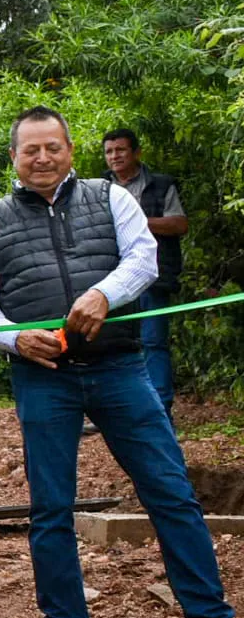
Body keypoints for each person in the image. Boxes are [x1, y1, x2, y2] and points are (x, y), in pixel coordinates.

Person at [0, 106, 244, 618]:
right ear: (13, 158)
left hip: (120, 370)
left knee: (171, 492)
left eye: (53, 147)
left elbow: (145, 258)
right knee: (50, 509)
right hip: (43, 380)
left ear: (70, 150)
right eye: (30, 150)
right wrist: (15, 339)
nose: (42, 158)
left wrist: (103, 296)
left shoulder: (112, 198)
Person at [102, 129, 186, 418]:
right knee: (111, 345)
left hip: (153, 276)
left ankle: (161, 409)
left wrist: (137, 220)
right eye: (109, 151)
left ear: (136, 152)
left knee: (153, 342)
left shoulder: (160, 185)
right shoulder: (99, 187)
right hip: (109, 281)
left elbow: (179, 224)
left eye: (121, 150)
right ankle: (116, 411)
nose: (115, 156)